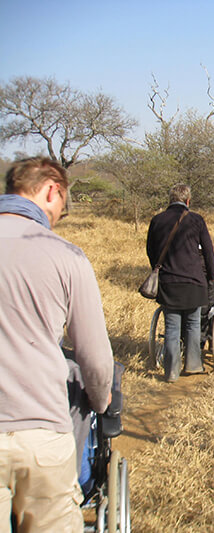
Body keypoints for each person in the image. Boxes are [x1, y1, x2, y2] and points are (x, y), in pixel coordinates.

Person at [0, 157, 114, 532]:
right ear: (52, 190)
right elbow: (95, 358)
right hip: (41, 429)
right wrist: (100, 402)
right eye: (62, 205)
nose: (59, 215)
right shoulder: (66, 255)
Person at [146, 184, 214, 382]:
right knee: (194, 324)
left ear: (170, 200)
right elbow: (209, 251)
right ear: (188, 201)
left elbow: (151, 250)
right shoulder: (196, 220)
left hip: (168, 282)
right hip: (194, 280)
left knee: (172, 327)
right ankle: (193, 364)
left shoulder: (157, 220)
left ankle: (171, 371)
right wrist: (211, 274)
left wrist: (159, 270)